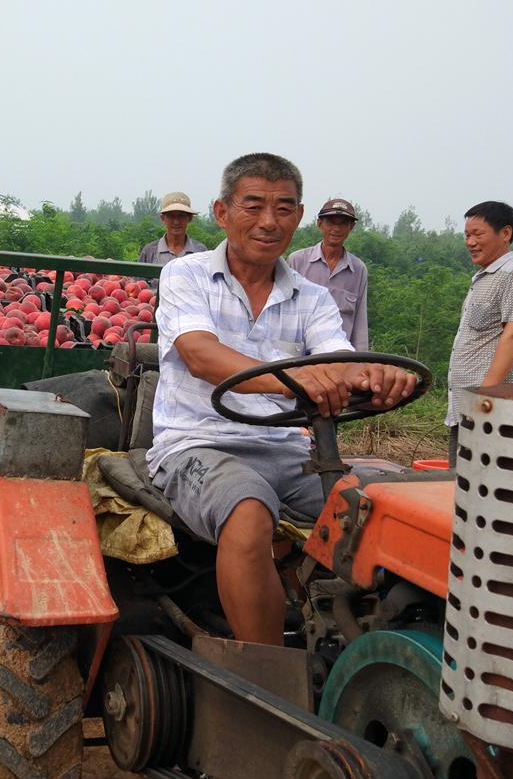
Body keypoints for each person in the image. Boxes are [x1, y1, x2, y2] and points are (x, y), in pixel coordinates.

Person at [146, 153, 417, 645]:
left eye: (284, 208)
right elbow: (201, 355)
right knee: (249, 509)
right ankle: (266, 681)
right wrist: (298, 381)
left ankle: (379, 646)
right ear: (223, 212)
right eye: (254, 206)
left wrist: (375, 375)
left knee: (391, 508)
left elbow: (337, 357)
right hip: (197, 444)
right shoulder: (184, 277)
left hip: (290, 452)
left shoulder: (311, 297)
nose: (269, 222)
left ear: (299, 215)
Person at [446, 201, 513, 467]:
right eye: (467, 235)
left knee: (481, 489)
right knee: (458, 489)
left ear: (505, 233)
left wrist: (485, 396)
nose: (470, 242)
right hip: (464, 410)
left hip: (490, 413)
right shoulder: (484, 277)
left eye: (478, 234)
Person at [287, 198, 369, 350]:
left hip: (340, 359)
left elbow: (360, 324)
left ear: (351, 227)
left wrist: (361, 362)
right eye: (331, 222)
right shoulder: (297, 261)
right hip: (300, 359)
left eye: (343, 223)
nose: (336, 229)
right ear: (319, 224)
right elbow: (284, 313)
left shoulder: (358, 270)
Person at [137, 192, 208, 266]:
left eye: (181, 216)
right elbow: (138, 277)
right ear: (163, 219)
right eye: (171, 216)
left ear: (190, 218)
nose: (176, 222)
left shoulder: (200, 251)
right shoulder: (150, 251)